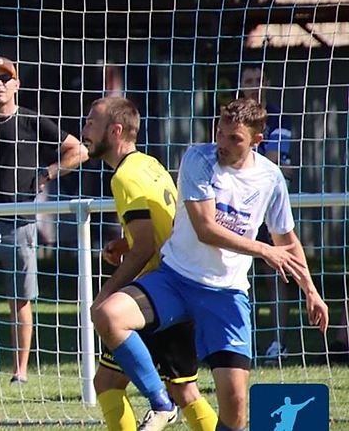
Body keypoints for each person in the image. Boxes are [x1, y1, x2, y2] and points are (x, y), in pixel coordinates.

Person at [90, 97, 328, 431]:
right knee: (106, 313)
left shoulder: (271, 179)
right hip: (174, 280)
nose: (223, 144)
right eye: (220, 133)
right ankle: (160, 403)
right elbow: (205, 229)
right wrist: (263, 250)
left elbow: (286, 242)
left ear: (256, 141)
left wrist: (312, 292)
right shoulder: (198, 158)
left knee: (236, 412)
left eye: (235, 139)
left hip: (226, 295)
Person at [0, 57, 88, 387]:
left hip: (20, 224)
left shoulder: (32, 122)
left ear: (16, 85)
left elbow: (78, 151)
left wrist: (49, 172)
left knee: (20, 300)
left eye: (5, 79)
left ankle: (20, 372)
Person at [82, 97, 217, 431]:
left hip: (158, 295)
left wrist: (108, 292)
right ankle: (162, 402)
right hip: (170, 283)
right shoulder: (149, 163)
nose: (83, 129)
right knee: (114, 384)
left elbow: (145, 248)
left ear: (114, 131)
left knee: (179, 391)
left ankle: (160, 405)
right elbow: (161, 227)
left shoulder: (124, 177)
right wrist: (125, 243)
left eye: (90, 123)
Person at [239, 65, 295, 358]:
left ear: (269, 83)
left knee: (275, 272)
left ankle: (277, 342)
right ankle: (239, 341)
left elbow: (278, 163)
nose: (254, 85)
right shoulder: (232, 118)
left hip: (269, 203)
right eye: (248, 81)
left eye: (260, 80)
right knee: (236, 273)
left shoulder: (279, 117)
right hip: (238, 205)